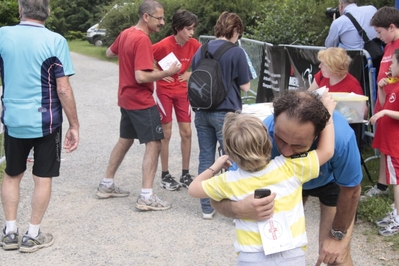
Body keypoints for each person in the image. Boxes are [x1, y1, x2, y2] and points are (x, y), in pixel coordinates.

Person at [212, 92, 363, 265]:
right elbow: (218, 198)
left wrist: (338, 234)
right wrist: (239, 209)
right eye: (280, 140)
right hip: (283, 183)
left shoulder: (340, 138)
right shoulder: (259, 136)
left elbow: (351, 190)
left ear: (317, 136)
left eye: (298, 145)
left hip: (329, 181)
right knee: (274, 252)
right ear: (274, 124)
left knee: (336, 258)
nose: (286, 152)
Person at [0, 0, 79, 252]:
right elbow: (63, 88)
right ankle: (32, 235)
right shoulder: (56, 40)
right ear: (48, 12)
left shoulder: (2, 35)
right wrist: (74, 124)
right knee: (42, 177)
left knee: (12, 174)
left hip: (13, 119)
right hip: (47, 121)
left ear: (20, 10)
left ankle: (9, 231)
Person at [95, 0, 181, 211]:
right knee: (155, 143)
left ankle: (106, 185)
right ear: (146, 17)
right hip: (141, 100)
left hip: (126, 98)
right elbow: (141, 76)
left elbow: (109, 52)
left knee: (125, 140)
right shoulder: (142, 39)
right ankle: (146, 196)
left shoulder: (126, 33)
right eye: (159, 18)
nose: (162, 22)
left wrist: (130, 58)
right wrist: (167, 73)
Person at [191, 11, 252, 219]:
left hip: (201, 112)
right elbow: (245, 86)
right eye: (239, 33)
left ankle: (207, 207)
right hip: (227, 115)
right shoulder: (236, 52)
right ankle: (234, 207)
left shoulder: (201, 49)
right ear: (235, 30)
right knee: (233, 158)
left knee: (206, 157)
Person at [152, 10, 201, 191]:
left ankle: (185, 173)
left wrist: (192, 73)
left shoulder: (195, 45)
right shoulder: (164, 44)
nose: (191, 33)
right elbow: (142, 56)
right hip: (164, 91)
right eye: (188, 29)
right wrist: (154, 72)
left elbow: (208, 62)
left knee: (186, 132)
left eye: (193, 29)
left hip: (182, 91)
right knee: (166, 132)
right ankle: (165, 175)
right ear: (178, 28)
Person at [361, 7, 399, 199]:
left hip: (393, 106)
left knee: (393, 148)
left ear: (391, 27)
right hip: (383, 102)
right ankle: (382, 185)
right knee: (384, 147)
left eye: (379, 32)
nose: (379, 36)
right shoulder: (389, 45)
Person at [370, 48, 399, 236]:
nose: (391, 66)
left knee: (396, 181)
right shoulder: (394, 85)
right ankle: (396, 212)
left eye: (394, 63)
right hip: (389, 140)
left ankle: (397, 219)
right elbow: (385, 102)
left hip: (394, 142)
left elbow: (388, 111)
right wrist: (381, 88)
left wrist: (384, 113)